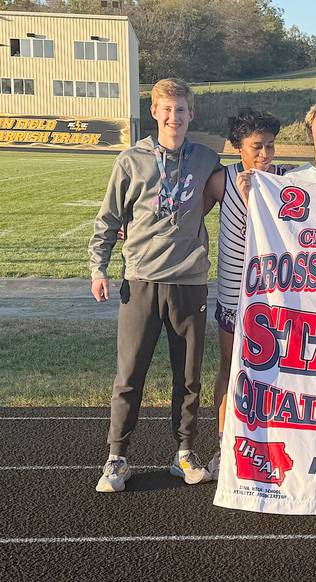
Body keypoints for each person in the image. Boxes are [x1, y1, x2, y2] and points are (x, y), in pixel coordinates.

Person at [89, 78, 221, 492]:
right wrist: (98, 269)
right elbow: (109, 218)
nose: (173, 117)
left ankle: (184, 453)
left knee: (189, 376)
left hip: (190, 281)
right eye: (167, 109)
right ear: (154, 112)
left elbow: (235, 189)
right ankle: (117, 457)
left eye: (180, 109)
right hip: (142, 279)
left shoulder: (207, 158)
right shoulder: (131, 160)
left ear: (191, 114)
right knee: (130, 374)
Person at [202, 108, 295, 480]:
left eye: (270, 145)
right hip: (232, 293)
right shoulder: (221, 181)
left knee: (277, 371)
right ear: (237, 147)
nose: (265, 154)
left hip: (274, 296)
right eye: (257, 146)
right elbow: (184, 217)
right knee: (230, 367)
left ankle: (275, 445)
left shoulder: (286, 179)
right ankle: (224, 444)